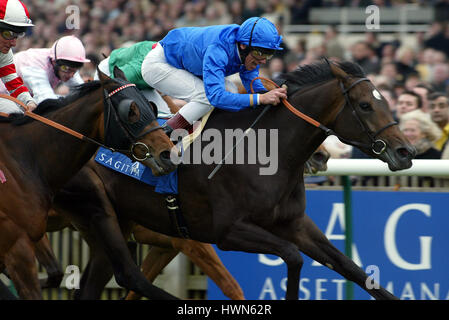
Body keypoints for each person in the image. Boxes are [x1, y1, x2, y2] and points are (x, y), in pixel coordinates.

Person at [140, 17, 287, 135]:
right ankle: (168, 135)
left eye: (268, 54)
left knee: (232, 91)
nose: (263, 60)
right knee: (205, 97)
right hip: (158, 64)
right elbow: (216, 97)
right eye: (260, 53)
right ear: (243, 46)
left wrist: (269, 96)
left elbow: (254, 87)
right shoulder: (218, 50)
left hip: (185, 65)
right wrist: (261, 98)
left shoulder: (247, 49)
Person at [0, 35, 90, 104]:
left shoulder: (65, 65)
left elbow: (81, 91)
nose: (71, 75)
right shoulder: (34, 65)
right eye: (66, 69)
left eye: (75, 70)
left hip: (17, 98)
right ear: (54, 62)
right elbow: (47, 101)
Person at [0, 0, 36, 114]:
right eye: (8, 34)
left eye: (18, 35)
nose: (13, 44)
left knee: (15, 112)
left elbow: (13, 82)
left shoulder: (4, 52)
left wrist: (29, 102)